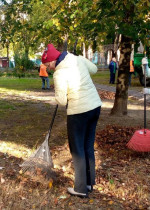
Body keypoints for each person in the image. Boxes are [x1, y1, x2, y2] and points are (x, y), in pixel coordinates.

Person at [42, 43, 102, 198]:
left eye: (48, 64)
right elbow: (94, 69)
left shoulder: (59, 73)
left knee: (77, 150)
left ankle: (81, 189)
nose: (48, 68)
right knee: (88, 146)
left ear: (54, 60)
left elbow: (61, 101)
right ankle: (89, 183)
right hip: (94, 106)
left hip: (79, 112)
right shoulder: (76, 58)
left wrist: (57, 93)